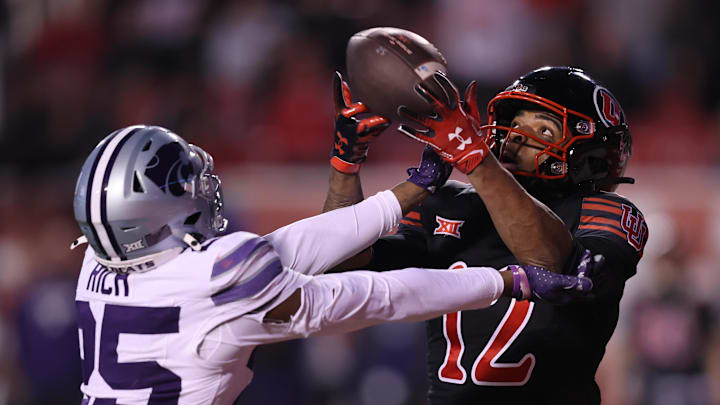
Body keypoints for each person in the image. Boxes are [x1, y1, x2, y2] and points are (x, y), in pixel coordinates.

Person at [70, 124, 598, 404]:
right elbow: (374, 296)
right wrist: (507, 280)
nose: (202, 188)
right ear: (153, 215)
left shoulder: (100, 264)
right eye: (184, 185)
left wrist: (418, 185)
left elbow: (289, 247)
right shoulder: (218, 276)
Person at [324, 67, 649, 404]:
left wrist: (476, 160)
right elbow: (341, 266)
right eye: (516, 123)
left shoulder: (607, 212)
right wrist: (346, 164)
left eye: (543, 129)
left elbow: (552, 263)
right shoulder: (448, 203)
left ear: (590, 159)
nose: (518, 136)